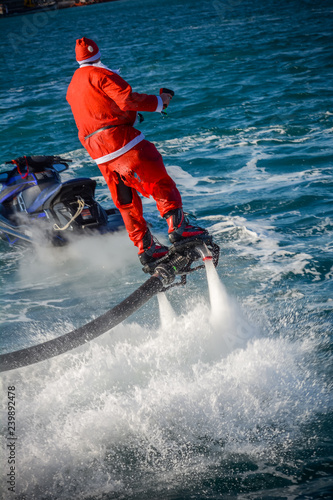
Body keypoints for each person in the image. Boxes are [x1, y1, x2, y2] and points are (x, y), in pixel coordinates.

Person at [66, 37, 207, 264]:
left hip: (99, 152)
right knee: (158, 179)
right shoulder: (101, 74)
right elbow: (127, 99)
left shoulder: (73, 85)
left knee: (126, 201)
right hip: (121, 141)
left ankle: (146, 249)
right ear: (97, 55)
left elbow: (97, 111)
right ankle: (179, 228)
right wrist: (161, 101)